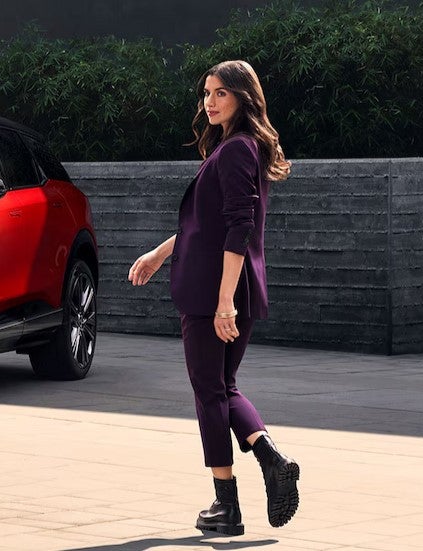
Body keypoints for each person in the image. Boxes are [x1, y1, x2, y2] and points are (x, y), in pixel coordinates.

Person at [128, 59, 299, 535]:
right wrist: (162, 253)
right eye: (206, 92)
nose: (209, 101)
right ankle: (270, 459)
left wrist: (224, 302)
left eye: (221, 93)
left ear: (244, 97)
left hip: (215, 292)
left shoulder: (237, 150)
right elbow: (205, 226)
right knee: (223, 387)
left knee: (209, 391)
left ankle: (227, 506)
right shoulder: (235, 149)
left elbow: (238, 229)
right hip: (226, 285)